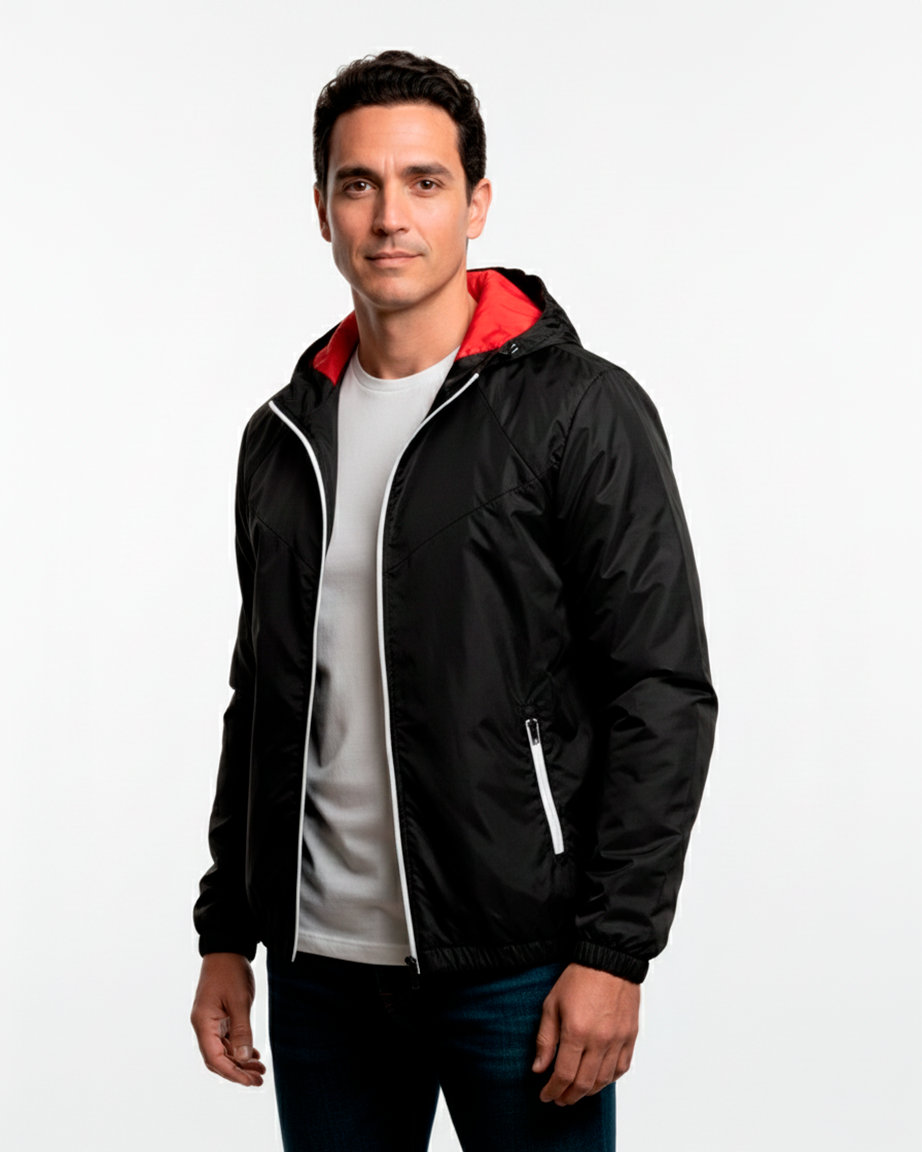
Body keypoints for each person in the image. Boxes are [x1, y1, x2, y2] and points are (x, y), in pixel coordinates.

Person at [190, 49, 717, 1152]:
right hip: (320, 976)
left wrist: (614, 952)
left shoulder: (580, 412)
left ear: (475, 205)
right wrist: (227, 930)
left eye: (423, 182)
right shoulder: (281, 438)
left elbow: (660, 692)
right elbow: (261, 696)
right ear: (322, 210)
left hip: (518, 968)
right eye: (359, 183)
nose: (390, 215)